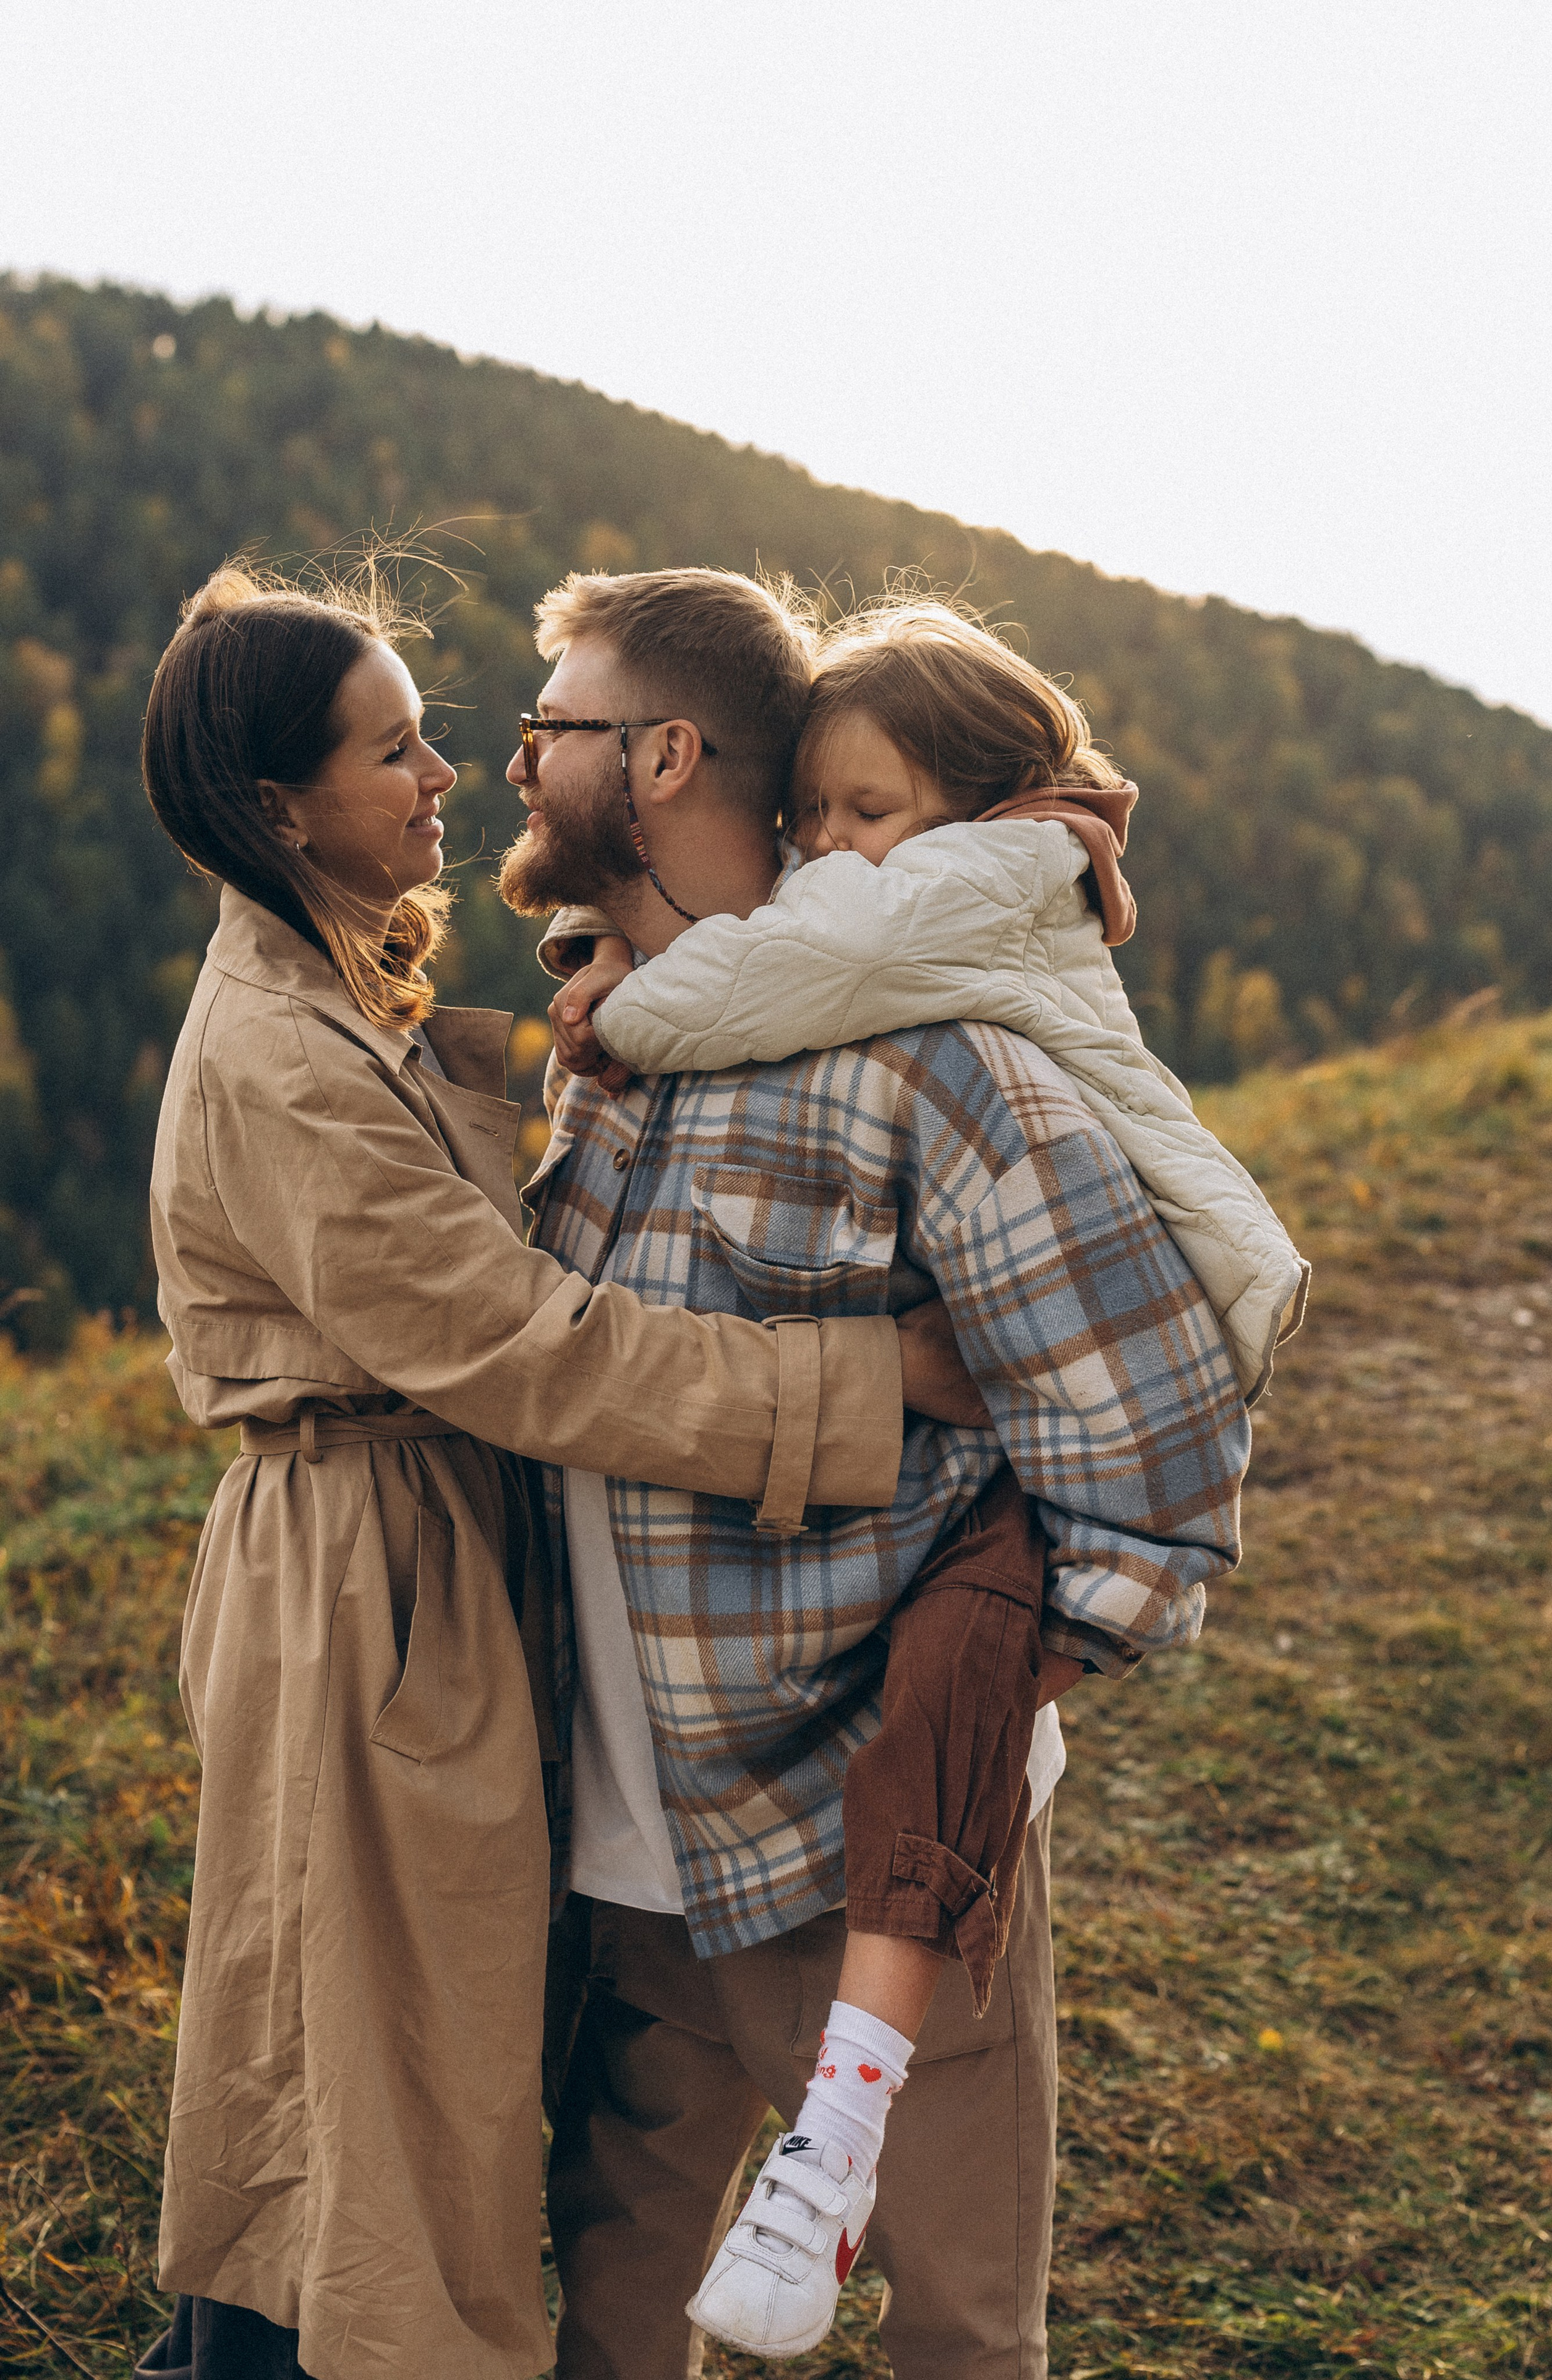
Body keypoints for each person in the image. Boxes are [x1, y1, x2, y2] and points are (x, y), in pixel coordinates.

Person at [132, 563, 979, 2380]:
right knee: (358, 2067)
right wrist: (868, 1386)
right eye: (395, 749)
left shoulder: (340, 981)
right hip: (363, 1590)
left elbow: (465, 1104)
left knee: (370, 2051)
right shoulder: (284, 1053)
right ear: (281, 805)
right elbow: (530, 1347)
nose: (447, 775)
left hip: (423, 1558)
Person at [499, 567, 1253, 2376]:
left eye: (552, 726)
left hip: (852, 1836)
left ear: (663, 755)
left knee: (962, 2324)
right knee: (611, 2296)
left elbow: (1156, 1428)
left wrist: (985, 1693)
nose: (515, 764)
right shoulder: (621, 1047)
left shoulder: (935, 1063)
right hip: (624, 1821)